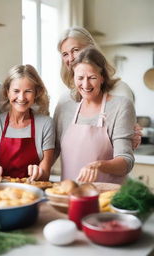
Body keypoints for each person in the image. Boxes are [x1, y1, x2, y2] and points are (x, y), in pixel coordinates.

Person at [54, 47, 136, 184]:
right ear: (73, 77)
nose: (85, 84)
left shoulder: (121, 106)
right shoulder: (65, 107)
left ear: (102, 78)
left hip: (106, 198)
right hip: (70, 197)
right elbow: (52, 150)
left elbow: (126, 161)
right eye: (80, 78)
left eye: (92, 77)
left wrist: (98, 165)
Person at [57, 26, 141, 149]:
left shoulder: (120, 91)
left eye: (75, 50)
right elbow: (55, 140)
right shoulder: (65, 98)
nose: (71, 58)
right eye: (65, 54)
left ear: (92, 49)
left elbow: (126, 142)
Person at [0, 64, 55, 181]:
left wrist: (39, 172)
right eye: (16, 91)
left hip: (33, 194)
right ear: (7, 92)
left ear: (36, 93)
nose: (21, 97)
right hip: (0, 194)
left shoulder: (46, 124)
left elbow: (45, 174)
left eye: (28, 91)